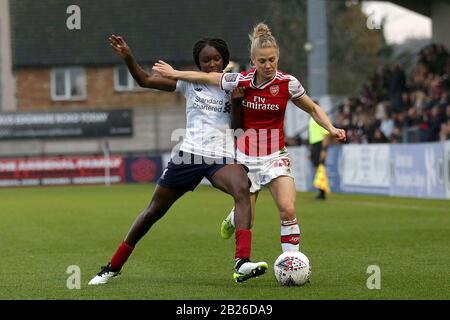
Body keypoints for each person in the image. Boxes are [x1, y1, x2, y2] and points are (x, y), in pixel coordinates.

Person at [88, 35, 268, 285]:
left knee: (242, 189)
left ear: (225, 60)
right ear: (198, 63)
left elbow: (238, 128)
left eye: (216, 59)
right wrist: (129, 57)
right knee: (153, 212)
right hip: (189, 156)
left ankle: (242, 263)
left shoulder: (235, 87)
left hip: (221, 158)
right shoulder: (188, 83)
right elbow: (144, 79)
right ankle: (113, 266)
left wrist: (237, 103)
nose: (212, 64)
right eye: (206, 60)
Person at [153, 23, 346, 253]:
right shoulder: (239, 80)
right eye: (262, 61)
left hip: (275, 155)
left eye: (272, 60)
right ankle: (233, 219)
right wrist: (175, 73)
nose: (268, 65)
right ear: (253, 61)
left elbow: (313, 108)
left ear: (278, 58)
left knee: (287, 209)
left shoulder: (288, 83)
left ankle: (291, 261)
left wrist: (331, 128)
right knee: (248, 219)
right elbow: (206, 78)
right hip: (245, 157)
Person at [308, 116, 331, 200]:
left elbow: (326, 134)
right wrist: (311, 151)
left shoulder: (320, 118)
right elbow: (311, 136)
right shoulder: (311, 120)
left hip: (319, 144)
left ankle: (323, 192)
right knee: (316, 168)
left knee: (320, 168)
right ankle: (321, 191)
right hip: (314, 145)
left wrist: (324, 149)